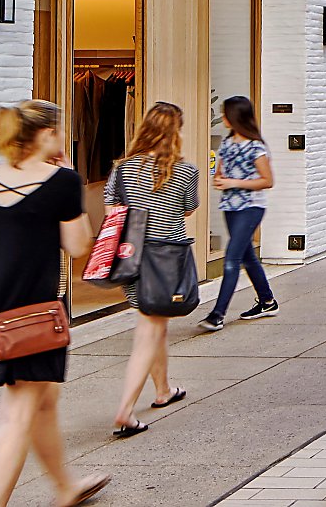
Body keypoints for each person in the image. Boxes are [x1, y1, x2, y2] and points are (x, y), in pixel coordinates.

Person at [0, 100, 107, 507]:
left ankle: (64, 487)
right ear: (45, 135)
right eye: (58, 131)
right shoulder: (62, 181)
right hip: (37, 314)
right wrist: (67, 182)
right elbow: (78, 246)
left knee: (43, 401)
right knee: (17, 414)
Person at [109, 101, 200, 437]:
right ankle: (125, 410)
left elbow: (111, 209)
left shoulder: (122, 168)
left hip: (132, 258)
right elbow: (189, 209)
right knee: (148, 331)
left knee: (154, 323)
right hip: (166, 260)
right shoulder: (186, 171)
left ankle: (163, 390)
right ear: (175, 131)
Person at [197, 96, 278, 331]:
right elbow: (220, 173)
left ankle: (217, 314)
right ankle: (267, 301)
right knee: (246, 256)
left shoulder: (256, 147)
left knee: (231, 258)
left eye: (225, 114)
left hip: (251, 207)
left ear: (235, 117)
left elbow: (267, 180)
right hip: (230, 207)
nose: (222, 118)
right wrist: (220, 179)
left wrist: (233, 182)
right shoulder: (227, 143)